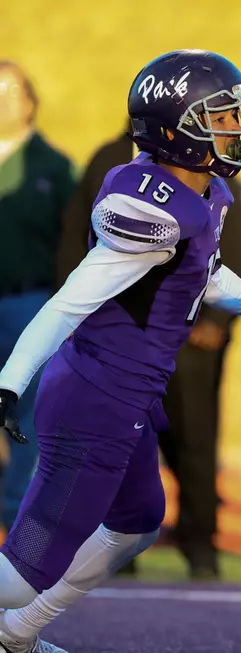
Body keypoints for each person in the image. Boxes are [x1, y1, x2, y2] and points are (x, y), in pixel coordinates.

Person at [0, 50, 241, 653]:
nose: (237, 127)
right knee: (20, 578)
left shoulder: (204, 192)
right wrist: (11, 379)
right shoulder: (151, 207)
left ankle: (13, 637)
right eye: (223, 116)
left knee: (134, 526)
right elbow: (72, 300)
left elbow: (205, 270)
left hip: (129, 395)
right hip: (97, 398)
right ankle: (13, 618)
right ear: (176, 130)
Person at [56, 127, 241, 579]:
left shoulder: (212, 164)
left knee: (193, 441)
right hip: (118, 335)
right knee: (112, 442)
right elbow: (77, 233)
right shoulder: (111, 160)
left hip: (188, 338)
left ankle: (200, 545)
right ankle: (113, 550)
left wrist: (216, 320)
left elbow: (237, 244)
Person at [0, 61, 76, 535]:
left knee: (26, 414)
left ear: (30, 101)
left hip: (28, 303)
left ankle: (17, 522)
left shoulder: (54, 166)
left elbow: (74, 243)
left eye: (11, 90)